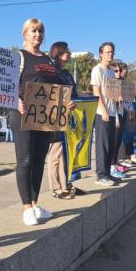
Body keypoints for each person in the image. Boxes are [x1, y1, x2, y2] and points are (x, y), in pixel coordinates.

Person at [15, 19, 75, 225]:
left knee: (40, 160)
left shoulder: (49, 61)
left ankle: (34, 202)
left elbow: (59, 87)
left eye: (41, 31)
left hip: (45, 116)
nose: (38, 34)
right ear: (25, 33)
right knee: (25, 160)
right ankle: (26, 208)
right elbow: (6, 84)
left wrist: (66, 104)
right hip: (23, 113)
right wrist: (17, 101)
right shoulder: (18, 57)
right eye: (33, 30)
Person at [45, 41, 82, 200]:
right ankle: (56, 187)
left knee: (66, 153)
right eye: (66, 51)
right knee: (56, 154)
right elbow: (49, 94)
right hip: (55, 117)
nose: (70, 54)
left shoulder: (66, 73)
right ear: (58, 54)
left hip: (69, 117)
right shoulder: (51, 72)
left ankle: (66, 183)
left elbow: (74, 94)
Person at [91, 42, 119, 186]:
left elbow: (112, 94)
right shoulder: (98, 70)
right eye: (107, 52)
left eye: (112, 52)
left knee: (111, 144)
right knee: (103, 145)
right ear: (101, 54)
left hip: (112, 112)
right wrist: (103, 111)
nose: (110, 54)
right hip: (102, 112)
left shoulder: (111, 71)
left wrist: (116, 112)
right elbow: (97, 92)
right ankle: (101, 175)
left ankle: (107, 173)